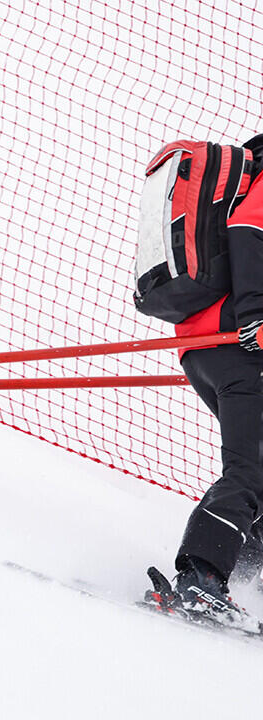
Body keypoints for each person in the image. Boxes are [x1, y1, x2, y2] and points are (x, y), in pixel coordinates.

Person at [168, 134, 263, 624]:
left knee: (259, 471)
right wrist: (255, 315)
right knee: (248, 469)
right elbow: (249, 228)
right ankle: (201, 578)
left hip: (209, 345)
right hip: (239, 343)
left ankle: (242, 576)